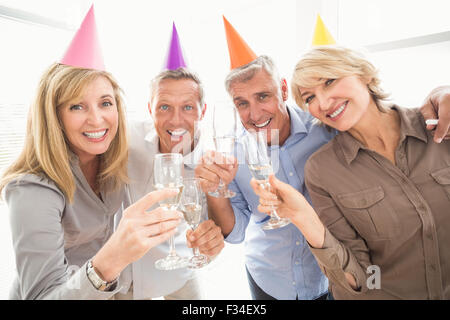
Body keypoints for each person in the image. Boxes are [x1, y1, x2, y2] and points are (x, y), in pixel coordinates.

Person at [251, 45, 450, 299]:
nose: (322, 103)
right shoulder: (323, 171)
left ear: (364, 74)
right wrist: (303, 217)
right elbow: (362, 277)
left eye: (329, 81)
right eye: (309, 97)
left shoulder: (439, 126)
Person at [0, 62, 183, 299]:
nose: (97, 120)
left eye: (105, 103)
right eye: (77, 106)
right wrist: (111, 260)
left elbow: (171, 133)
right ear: (53, 116)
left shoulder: (112, 158)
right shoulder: (31, 189)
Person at [117, 67, 225, 300]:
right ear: (150, 109)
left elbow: (212, 233)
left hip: (179, 270)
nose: (176, 119)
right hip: (125, 275)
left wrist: (209, 247)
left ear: (202, 111)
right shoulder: (125, 138)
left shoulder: (212, 164)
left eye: (187, 107)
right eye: (164, 107)